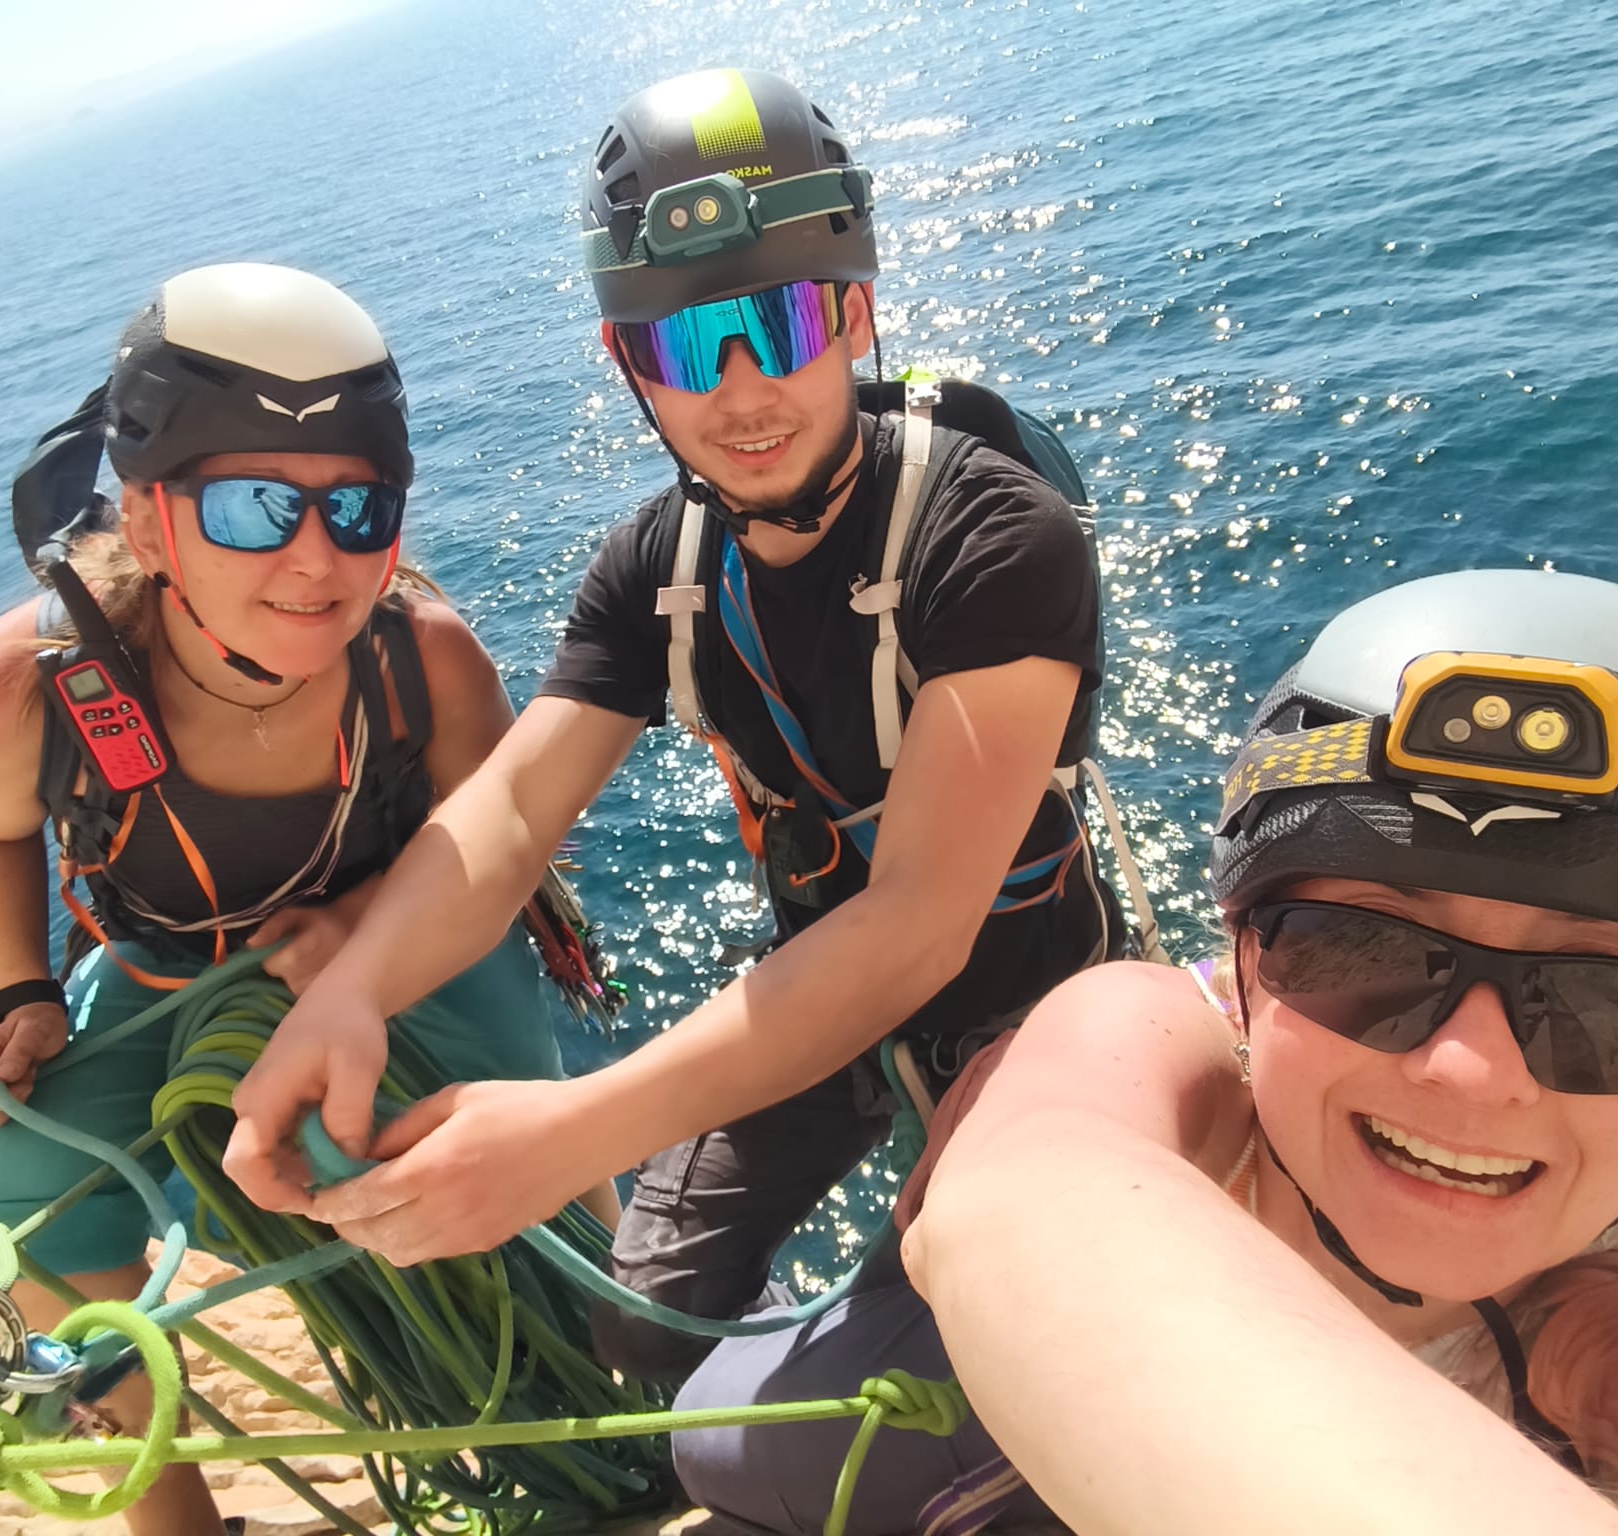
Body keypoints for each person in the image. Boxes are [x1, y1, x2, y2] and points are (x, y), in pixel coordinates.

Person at [225, 66, 1129, 1381]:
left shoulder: (990, 535)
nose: (743, 392)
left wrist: (572, 1133)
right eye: (690, 347)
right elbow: (514, 806)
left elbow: (918, 925)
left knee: (996, 1334)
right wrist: (355, 993)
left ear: (855, 313)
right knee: (643, 1320)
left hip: (1029, 994)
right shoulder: (661, 569)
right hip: (816, 983)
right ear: (627, 364)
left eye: (781, 321)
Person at [674, 568, 1618, 1536]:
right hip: (918, 1369)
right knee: (711, 1437)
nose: (1471, 1068)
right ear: (1244, 960)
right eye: (1360, 950)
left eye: (1617, 1004)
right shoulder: (1149, 1029)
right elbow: (1035, 1197)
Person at [0, 263, 612, 1536]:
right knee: (2, 1219)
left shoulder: (421, 662)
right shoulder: (22, 697)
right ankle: (174, 1518)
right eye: (252, 507)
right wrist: (18, 990)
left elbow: (500, 836)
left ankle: (612, 1377)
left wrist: (363, 931)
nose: (313, 557)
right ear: (148, 520)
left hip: (416, 949)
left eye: (357, 509)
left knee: (514, 1154)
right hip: (162, 973)